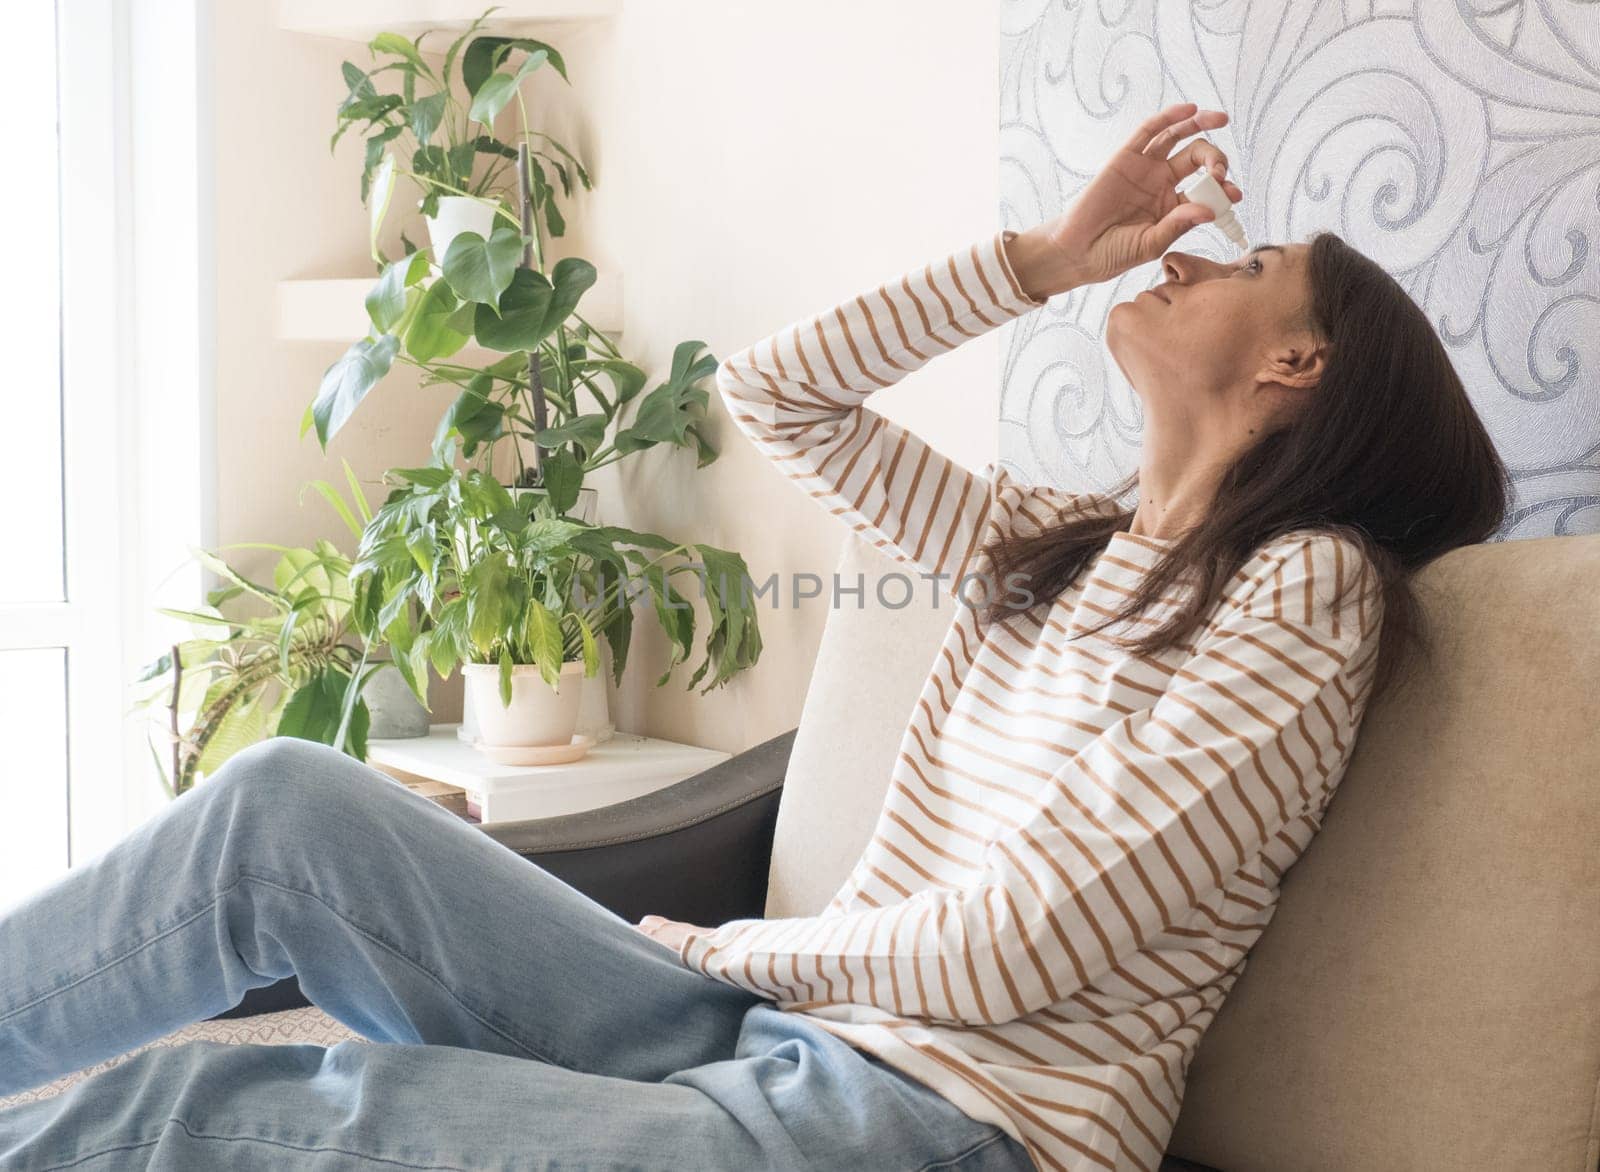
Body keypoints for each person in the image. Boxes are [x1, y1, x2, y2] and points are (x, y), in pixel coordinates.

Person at [0, 103, 1507, 1172]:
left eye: (1241, 268)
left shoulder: (1306, 591)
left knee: (192, 1117)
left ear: (1300, 362)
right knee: (285, 810)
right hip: (773, 1039)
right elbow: (781, 395)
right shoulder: (1048, 547)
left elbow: (1025, 943)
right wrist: (1039, 262)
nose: (1177, 260)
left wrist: (743, 948)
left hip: (939, 1129)